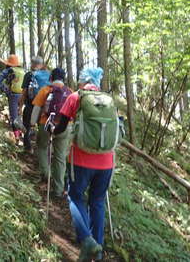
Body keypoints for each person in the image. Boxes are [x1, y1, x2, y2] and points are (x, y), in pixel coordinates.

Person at [53, 67, 113, 261]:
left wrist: (51, 128)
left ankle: (87, 241)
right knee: (97, 202)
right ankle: (98, 251)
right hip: (107, 162)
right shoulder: (108, 99)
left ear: (82, 81)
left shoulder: (76, 97)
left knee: (75, 196)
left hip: (81, 159)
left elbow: (60, 128)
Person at [30, 68, 72, 197]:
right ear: (63, 79)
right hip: (66, 127)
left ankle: (46, 173)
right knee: (60, 157)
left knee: (42, 147)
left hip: (46, 124)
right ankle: (58, 189)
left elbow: (36, 109)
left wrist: (32, 124)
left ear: (51, 78)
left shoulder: (45, 90)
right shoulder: (70, 92)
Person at [0, 54, 25, 141]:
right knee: (20, 114)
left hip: (13, 95)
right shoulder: (22, 70)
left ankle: (16, 137)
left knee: (14, 116)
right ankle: (21, 133)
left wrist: (5, 90)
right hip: (23, 95)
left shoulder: (8, 70)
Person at [20, 56, 44, 153]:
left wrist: (20, 106)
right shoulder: (46, 75)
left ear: (32, 64)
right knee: (42, 128)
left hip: (30, 105)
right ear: (41, 65)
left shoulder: (28, 75)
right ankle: (41, 149)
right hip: (43, 107)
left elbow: (24, 92)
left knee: (27, 126)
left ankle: (28, 148)